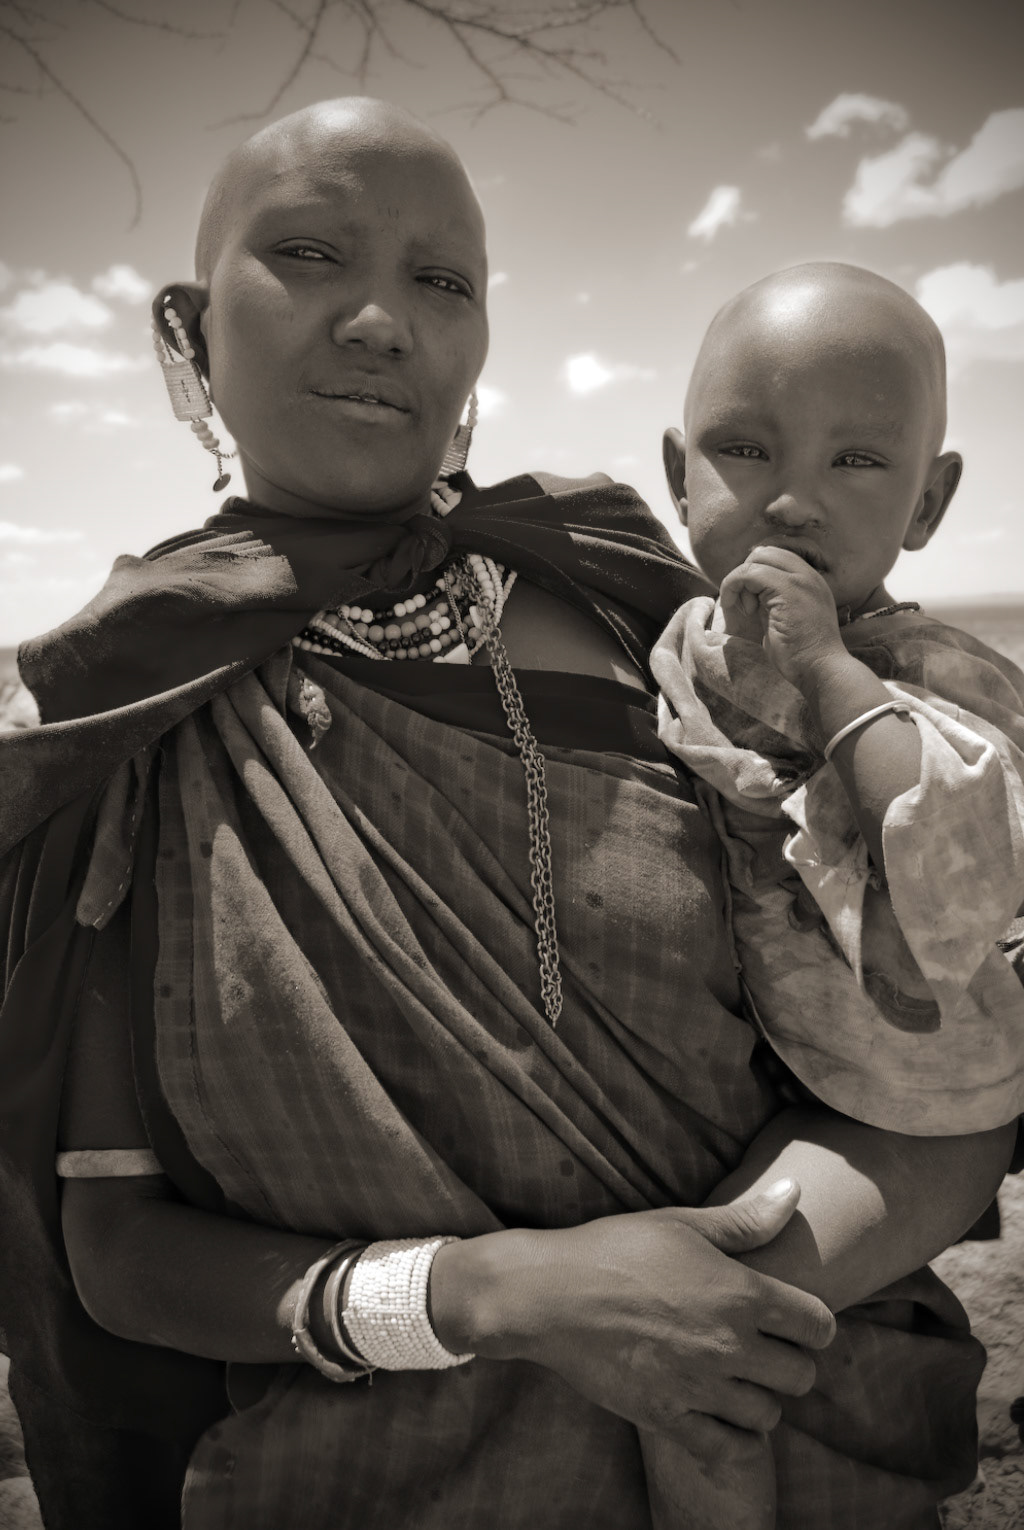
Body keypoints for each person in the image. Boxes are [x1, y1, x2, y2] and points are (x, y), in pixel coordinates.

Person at [0, 107, 1007, 1530]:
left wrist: (739, 1294)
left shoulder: (658, 616)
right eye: (307, 254)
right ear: (190, 327)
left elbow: (943, 1052)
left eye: (441, 280)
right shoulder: (132, 712)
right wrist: (493, 1295)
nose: (378, 320)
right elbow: (119, 1254)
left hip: (807, 1423)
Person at [645, 261, 1022, 1522]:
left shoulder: (933, 672)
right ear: (676, 473)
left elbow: (958, 864)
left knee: (709, 1320)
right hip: (790, 1072)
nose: (792, 498)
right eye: (745, 448)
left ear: (929, 501)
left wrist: (826, 672)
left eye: (857, 461)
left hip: (921, 1110)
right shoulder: (682, 642)